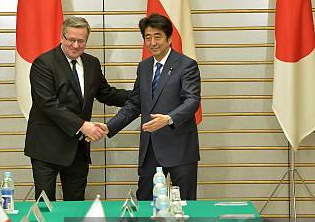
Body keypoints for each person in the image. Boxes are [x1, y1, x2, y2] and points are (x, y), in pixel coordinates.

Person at [24, 17, 129, 201]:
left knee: (76, 207)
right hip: (46, 148)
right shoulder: (43, 63)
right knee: (45, 206)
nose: (75, 45)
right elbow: (47, 103)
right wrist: (83, 125)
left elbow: (106, 93)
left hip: (77, 149)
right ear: (62, 37)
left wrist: (141, 95)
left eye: (81, 41)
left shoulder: (92, 63)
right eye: (71, 39)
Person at [105, 13, 201, 200]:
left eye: (157, 36)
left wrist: (168, 118)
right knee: (145, 203)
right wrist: (109, 126)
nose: (152, 42)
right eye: (147, 37)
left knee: (184, 205)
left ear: (169, 38)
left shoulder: (186, 65)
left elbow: (192, 100)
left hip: (180, 147)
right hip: (150, 149)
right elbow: (134, 103)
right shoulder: (144, 67)